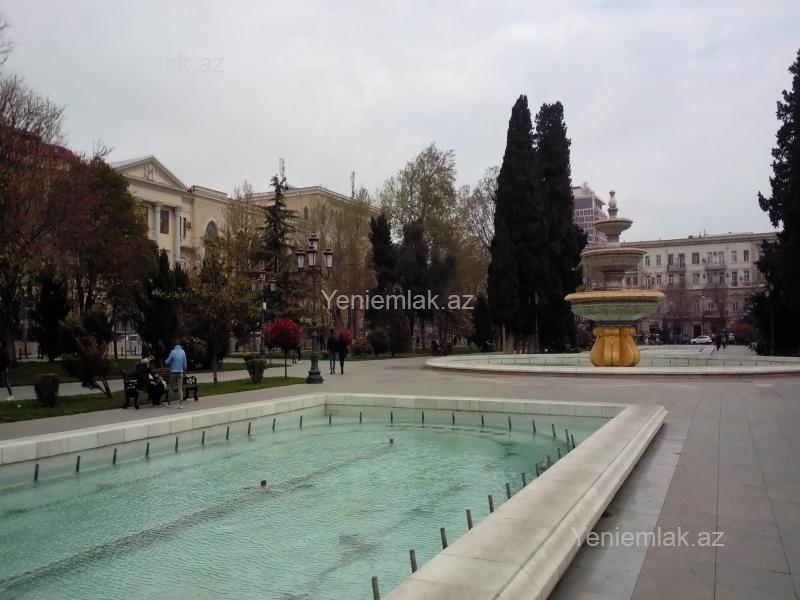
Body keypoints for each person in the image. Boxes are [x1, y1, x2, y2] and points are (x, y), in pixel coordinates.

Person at [165, 340, 188, 408]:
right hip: (180, 372)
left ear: (174, 346)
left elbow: (167, 362)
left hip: (173, 372)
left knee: (171, 388)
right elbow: (185, 364)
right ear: (180, 346)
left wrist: (167, 361)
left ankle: (169, 404)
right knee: (180, 388)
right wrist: (184, 369)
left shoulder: (173, 352)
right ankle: (180, 404)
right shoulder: (183, 352)